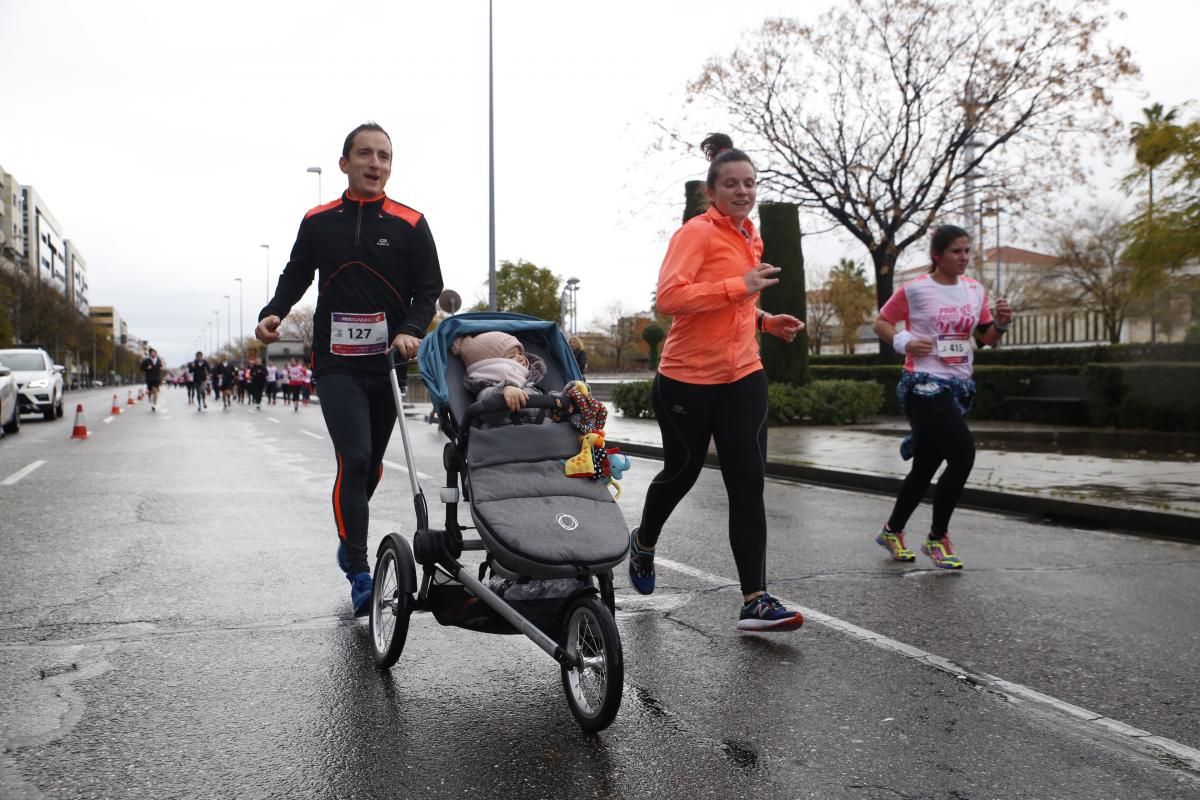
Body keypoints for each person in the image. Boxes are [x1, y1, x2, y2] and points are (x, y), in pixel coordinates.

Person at [255, 121, 443, 616]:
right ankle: (359, 573)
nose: (375, 164)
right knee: (355, 459)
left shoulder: (410, 222)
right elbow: (296, 274)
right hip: (336, 363)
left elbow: (429, 289)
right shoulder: (319, 221)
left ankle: (348, 534)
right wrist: (272, 311)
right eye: (365, 154)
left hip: (386, 363)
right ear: (345, 163)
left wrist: (411, 329)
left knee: (373, 465)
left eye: (384, 156)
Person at [627, 133, 806, 633]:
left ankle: (755, 599)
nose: (743, 191)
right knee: (680, 474)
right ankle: (643, 543)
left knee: (747, 484)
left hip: (744, 375)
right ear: (712, 192)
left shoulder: (751, 236)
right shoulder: (696, 234)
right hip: (686, 379)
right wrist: (738, 286)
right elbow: (670, 298)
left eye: (750, 183)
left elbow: (737, 306)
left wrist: (764, 319)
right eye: (732, 184)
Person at [872, 224, 1013, 570]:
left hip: (958, 385)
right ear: (937, 255)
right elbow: (882, 323)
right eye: (956, 251)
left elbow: (986, 337)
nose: (963, 257)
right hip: (922, 383)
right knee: (962, 455)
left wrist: (1002, 324)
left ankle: (892, 530)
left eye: (967, 251)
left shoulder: (974, 290)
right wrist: (904, 341)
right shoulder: (916, 289)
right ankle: (937, 538)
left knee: (926, 466)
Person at [452, 331, 546, 411]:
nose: (521, 358)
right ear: (490, 365)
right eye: (511, 356)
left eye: (520, 353)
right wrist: (504, 391)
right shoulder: (487, 391)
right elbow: (489, 407)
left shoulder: (529, 384)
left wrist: (557, 400)